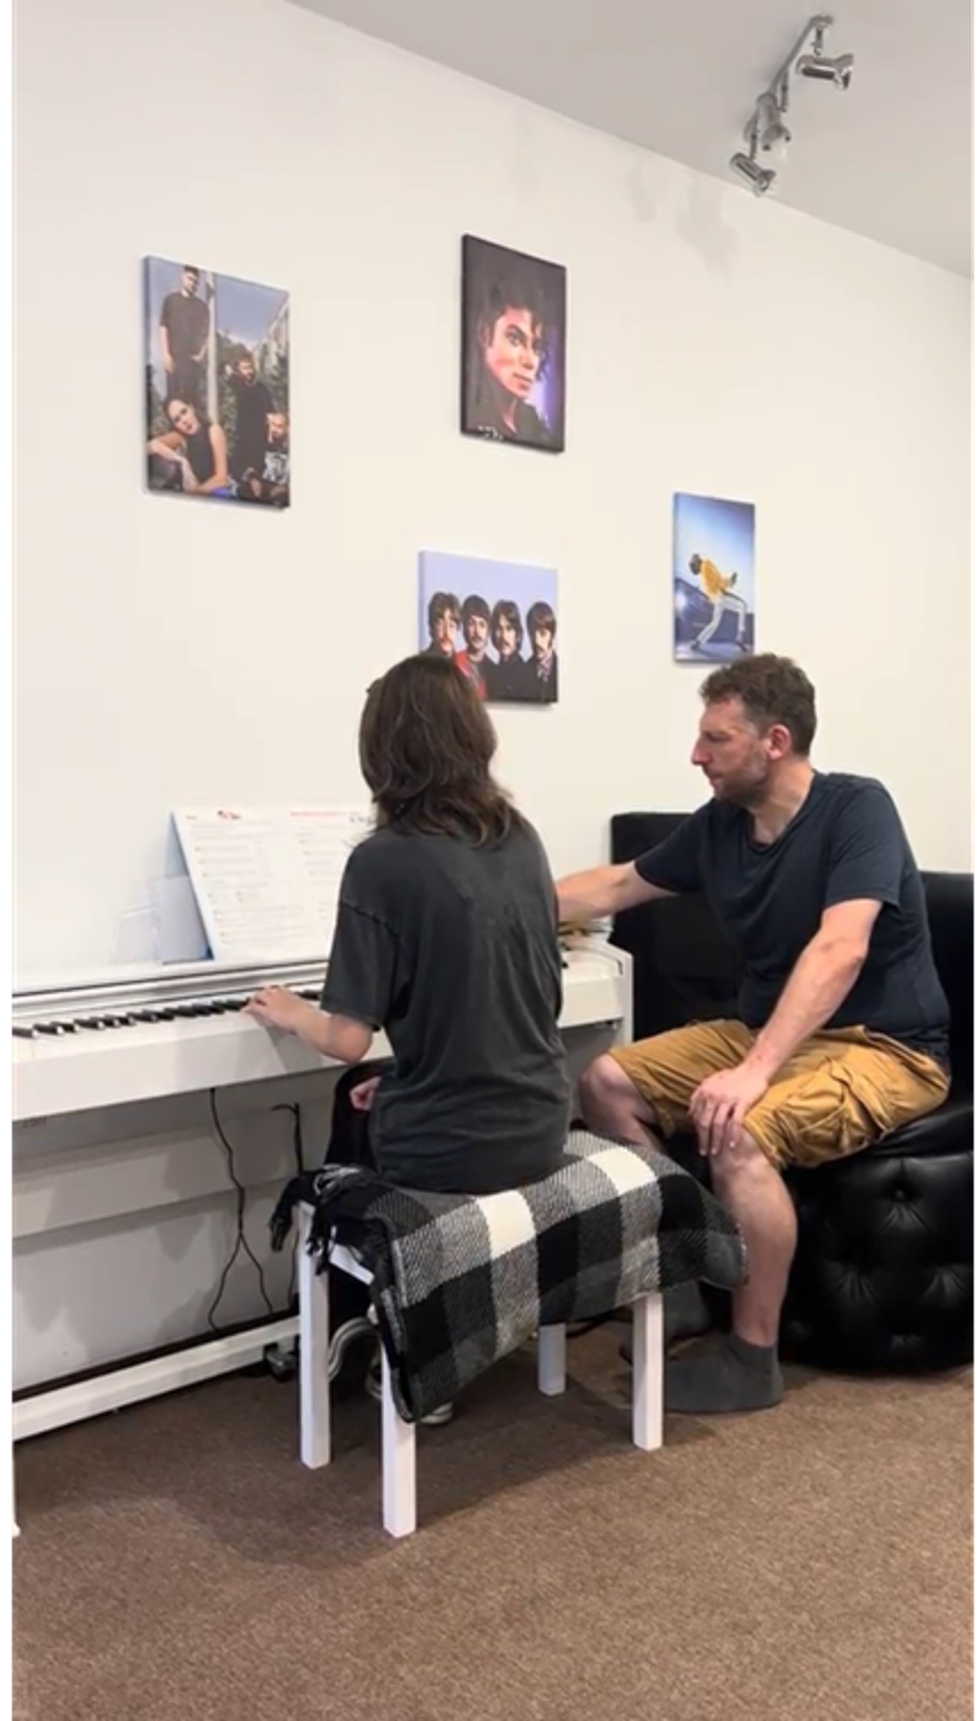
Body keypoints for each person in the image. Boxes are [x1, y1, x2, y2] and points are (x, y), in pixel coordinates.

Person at [556, 653, 950, 1416]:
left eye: (716, 738)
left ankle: (752, 1356)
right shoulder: (721, 827)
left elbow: (841, 947)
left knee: (740, 1130)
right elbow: (617, 884)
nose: (697, 754)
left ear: (774, 740)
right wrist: (495, 901)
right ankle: (688, 1279)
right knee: (604, 1081)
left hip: (886, 1045)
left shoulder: (857, 810)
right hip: (772, 1030)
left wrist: (756, 1068)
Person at [245, 652, 570, 1197]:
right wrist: (413, 1081)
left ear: (381, 751)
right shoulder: (519, 835)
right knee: (366, 1090)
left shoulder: (381, 862)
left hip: (454, 1150)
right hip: (541, 1125)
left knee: (348, 1107)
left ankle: (346, 1272)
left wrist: (293, 1011)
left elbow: (347, 1041)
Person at [464, 252, 560, 448]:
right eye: (515, 339)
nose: (530, 361)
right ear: (484, 333)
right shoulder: (477, 417)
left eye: (537, 347)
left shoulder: (536, 426)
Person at [146, 397, 230, 495]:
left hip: (221, 492)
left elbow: (221, 479)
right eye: (177, 420)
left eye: (184, 412)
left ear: (191, 407)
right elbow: (150, 446)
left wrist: (193, 494)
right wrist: (180, 460)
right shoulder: (181, 437)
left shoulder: (213, 431)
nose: (184, 421)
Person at [158, 265, 210, 409]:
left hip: (192, 361)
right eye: (190, 279)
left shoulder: (201, 307)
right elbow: (163, 327)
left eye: (195, 281)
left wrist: (201, 354)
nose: (192, 283)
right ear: (182, 278)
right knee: (174, 401)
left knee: (192, 401)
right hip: (174, 358)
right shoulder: (171, 300)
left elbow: (206, 333)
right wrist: (166, 354)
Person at [688, 552, 749, 654]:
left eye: (694, 566)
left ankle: (698, 641)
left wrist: (729, 582)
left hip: (716, 598)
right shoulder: (706, 565)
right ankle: (739, 637)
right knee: (742, 606)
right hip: (719, 596)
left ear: (697, 562)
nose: (696, 569)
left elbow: (717, 581)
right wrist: (729, 583)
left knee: (715, 622)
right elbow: (718, 581)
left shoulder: (705, 567)